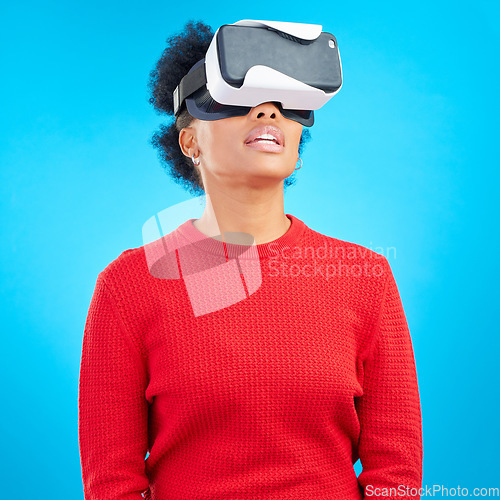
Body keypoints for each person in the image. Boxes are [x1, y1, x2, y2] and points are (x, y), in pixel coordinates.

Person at [78, 20, 423, 499]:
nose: (267, 112)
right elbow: (111, 482)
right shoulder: (128, 285)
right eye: (238, 101)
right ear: (190, 141)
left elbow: (397, 476)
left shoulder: (366, 278)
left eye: (285, 105)